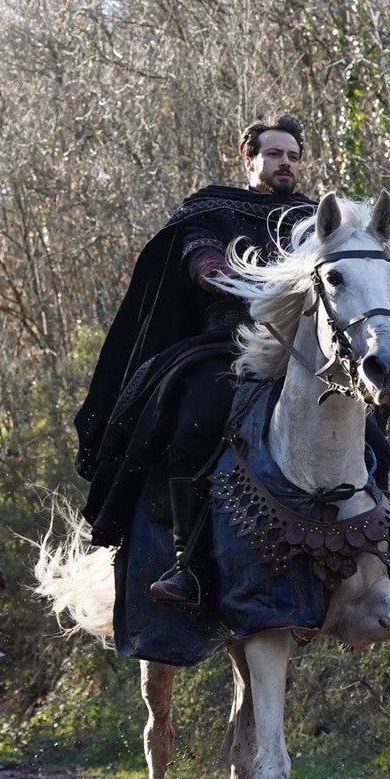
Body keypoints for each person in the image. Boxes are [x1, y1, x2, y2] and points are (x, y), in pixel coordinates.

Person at [76, 115, 342, 609]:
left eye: (293, 156)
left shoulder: (314, 216)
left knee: (364, 424)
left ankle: (375, 545)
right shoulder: (211, 209)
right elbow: (203, 262)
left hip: (304, 347)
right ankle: (188, 565)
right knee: (196, 419)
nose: (286, 163)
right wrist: (245, 278)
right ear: (250, 160)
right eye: (275, 154)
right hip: (226, 342)